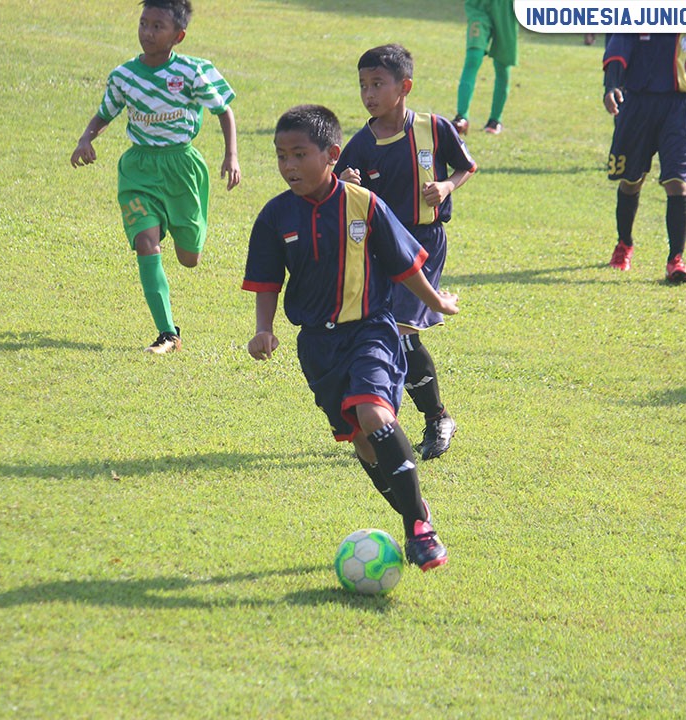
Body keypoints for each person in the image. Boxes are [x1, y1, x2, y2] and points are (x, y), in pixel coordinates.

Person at [243, 105, 458, 571]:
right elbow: (266, 279)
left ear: (332, 155)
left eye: (299, 154)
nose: (289, 166)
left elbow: (404, 263)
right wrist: (264, 329)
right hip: (318, 348)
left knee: (374, 412)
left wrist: (435, 301)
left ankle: (419, 525)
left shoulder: (363, 203)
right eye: (281, 156)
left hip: (370, 330)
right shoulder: (275, 216)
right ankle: (413, 515)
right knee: (361, 439)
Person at [71, 0, 241, 353]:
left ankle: (178, 223)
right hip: (139, 170)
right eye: (143, 23)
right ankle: (168, 333)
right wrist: (86, 138)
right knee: (146, 244)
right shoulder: (124, 76)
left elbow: (223, 111)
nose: (147, 32)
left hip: (182, 168)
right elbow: (105, 113)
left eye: (157, 26)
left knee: (188, 257)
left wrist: (232, 155)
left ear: (178, 36)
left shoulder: (194, 72)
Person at [336, 44, 476, 461]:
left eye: (377, 84)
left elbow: (466, 166)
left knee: (398, 331)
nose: (369, 93)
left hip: (424, 243)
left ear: (405, 87)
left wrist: (448, 186)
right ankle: (416, 417)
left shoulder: (434, 128)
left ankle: (427, 420)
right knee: (387, 333)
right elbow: (338, 196)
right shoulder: (361, 144)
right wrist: (345, 181)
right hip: (381, 246)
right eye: (363, 85)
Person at [602, 33, 686, 283]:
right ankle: (624, 244)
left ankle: (676, 260)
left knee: (677, 181)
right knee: (631, 180)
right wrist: (611, 86)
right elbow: (618, 48)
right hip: (638, 102)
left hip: (681, 107)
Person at [452, 0, 519, 136]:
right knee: (473, 57)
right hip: (479, 6)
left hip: (507, 8)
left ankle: (495, 120)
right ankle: (462, 117)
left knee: (502, 64)